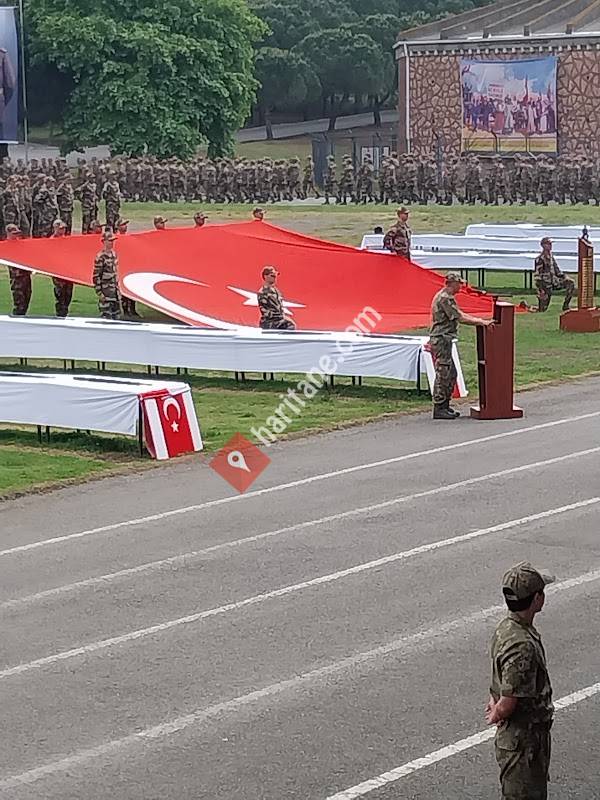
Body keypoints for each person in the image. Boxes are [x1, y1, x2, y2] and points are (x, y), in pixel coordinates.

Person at [486, 562, 555, 800]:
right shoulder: (522, 644)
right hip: (524, 742)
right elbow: (509, 700)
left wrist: (495, 701)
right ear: (536, 599)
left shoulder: (506, 628)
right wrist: (497, 713)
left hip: (524, 740)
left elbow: (500, 676)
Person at [429, 272, 493, 420]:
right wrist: (481, 322)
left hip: (444, 339)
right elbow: (460, 317)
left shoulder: (446, 297)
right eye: (459, 283)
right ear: (451, 283)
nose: (461, 286)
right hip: (441, 339)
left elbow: (459, 313)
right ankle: (439, 407)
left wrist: (479, 320)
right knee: (444, 373)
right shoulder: (445, 298)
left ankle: (445, 405)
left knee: (451, 373)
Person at [534, 237, 575, 312]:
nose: (550, 246)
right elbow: (538, 276)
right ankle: (530, 307)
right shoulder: (540, 259)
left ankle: (566, 305)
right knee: (542, 309)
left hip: (554, 282)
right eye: (548, 244)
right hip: (545, 285)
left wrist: (565, 276)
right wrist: (541, 289)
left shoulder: (551, 257)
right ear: (543, 245)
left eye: (550, 244)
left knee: (570, 283)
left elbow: (557, 270)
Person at [93, 229, 121, 320]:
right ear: (104, 241)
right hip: (106, 293)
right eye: (110, 241)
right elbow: (96, 276)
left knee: (116, 318)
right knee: (106, 318)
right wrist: (100, 293)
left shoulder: (114, 255)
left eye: (113, 241)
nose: (112, 243)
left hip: (115, 294)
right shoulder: (101, 257)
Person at [257, 266, 296, 330]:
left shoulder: (275, 290)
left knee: (290, 324)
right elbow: (267, 313)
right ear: (265, 276)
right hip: (269, 322)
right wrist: (283, 318)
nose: (274, 278)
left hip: (278, 320)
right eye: (272, 276)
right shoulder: (263, 292)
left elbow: (280, 308)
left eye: (275, 276)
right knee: (289, 325)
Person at [5, 223, 32, 316]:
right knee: (19, 303)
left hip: (26, 275)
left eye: (17, 234)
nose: (16, 236)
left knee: (27, 299)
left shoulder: (20, 244)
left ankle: (22, 318)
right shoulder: (6, 246)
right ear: (9, 233)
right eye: (14, 234)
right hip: (17, 279)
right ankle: (16, 320)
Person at [50, 219, 74, 317]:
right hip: (58, 273)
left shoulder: (66, 240)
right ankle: (60, 314)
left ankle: (65, 312)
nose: (63, 230)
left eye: (64, 228)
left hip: (68, 272)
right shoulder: (51, 241)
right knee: (60, 295)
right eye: (60, 228)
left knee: (68, 294)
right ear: (55, 228)